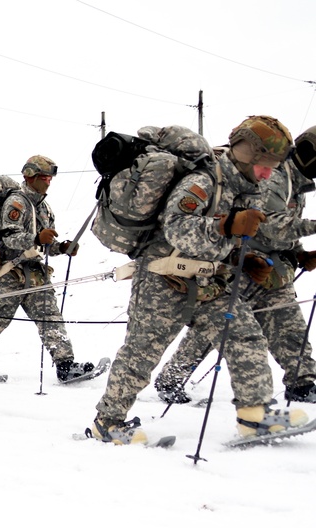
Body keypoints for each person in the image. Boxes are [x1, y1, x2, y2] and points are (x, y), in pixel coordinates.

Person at [90, 115, 308, 444]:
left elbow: (267, 226)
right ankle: (108, 422)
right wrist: (226, 226)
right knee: (141, 354)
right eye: (266, 164)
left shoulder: (250, 189)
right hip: (163, 278)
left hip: (209, 281)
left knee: (245, 336)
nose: (269, 172)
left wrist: (246, 254)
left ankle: (255, 416)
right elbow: (176, 228)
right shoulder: (205, 181)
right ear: (249, 155)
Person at [154, 125, 316, 405]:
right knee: (215, 329)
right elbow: (268, 227)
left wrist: (299, 253)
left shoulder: (296, 183)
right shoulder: (273, 174)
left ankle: (303, 382)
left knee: (289, 325)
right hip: (241, 264)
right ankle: (172, 378)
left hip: (274, 270)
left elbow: (282, 229)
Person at [0, 155, 96, 384]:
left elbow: (46, 242)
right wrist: (35, 237)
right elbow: (10, 237)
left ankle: (65, 364)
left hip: (34, 272)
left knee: (50, 316)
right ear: (30, 177)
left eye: (50, 177)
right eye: (43, 177)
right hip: (9, 272)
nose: (48, 181)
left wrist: (62, 247)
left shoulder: (43, 207)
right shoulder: (17, 203)